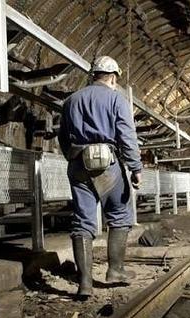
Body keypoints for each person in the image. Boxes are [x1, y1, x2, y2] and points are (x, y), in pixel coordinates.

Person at [58, 56, 143, 299]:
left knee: (82, 221)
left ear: (93, 74)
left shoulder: (71, 100)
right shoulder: (117, 98)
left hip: (77, 163)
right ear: (113, 77)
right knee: (119, 215)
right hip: (107, 164)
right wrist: (135, 167)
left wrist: (73, 157)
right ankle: (115, 271)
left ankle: (84, 283)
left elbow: (62, 137)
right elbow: (126, 135)